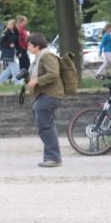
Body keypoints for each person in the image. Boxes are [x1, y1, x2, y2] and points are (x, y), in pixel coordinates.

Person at [25, 33, 64, 167]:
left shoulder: (46, 56)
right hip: (44, 94)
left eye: (29, 44)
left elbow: (54, 73)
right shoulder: (38, 57)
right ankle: (52, 157)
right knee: (45, 124)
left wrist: (37, 81)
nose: (27, 47)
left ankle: (53, 157)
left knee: (44, 125)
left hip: (50, 94)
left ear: (37, 45)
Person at [0, 19, 20, 84]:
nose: (9, 25)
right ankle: (17, 81)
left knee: (10, 68)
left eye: (11, 24)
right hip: (7, 52)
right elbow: (0, 43)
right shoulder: (5, 33)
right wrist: (9, 45)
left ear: (14, 25)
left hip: (13, 52)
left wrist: (19, 52)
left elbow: (17, 44)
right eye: (8, 24)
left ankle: (0, 79)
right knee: (15, 66)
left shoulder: (16, 33)